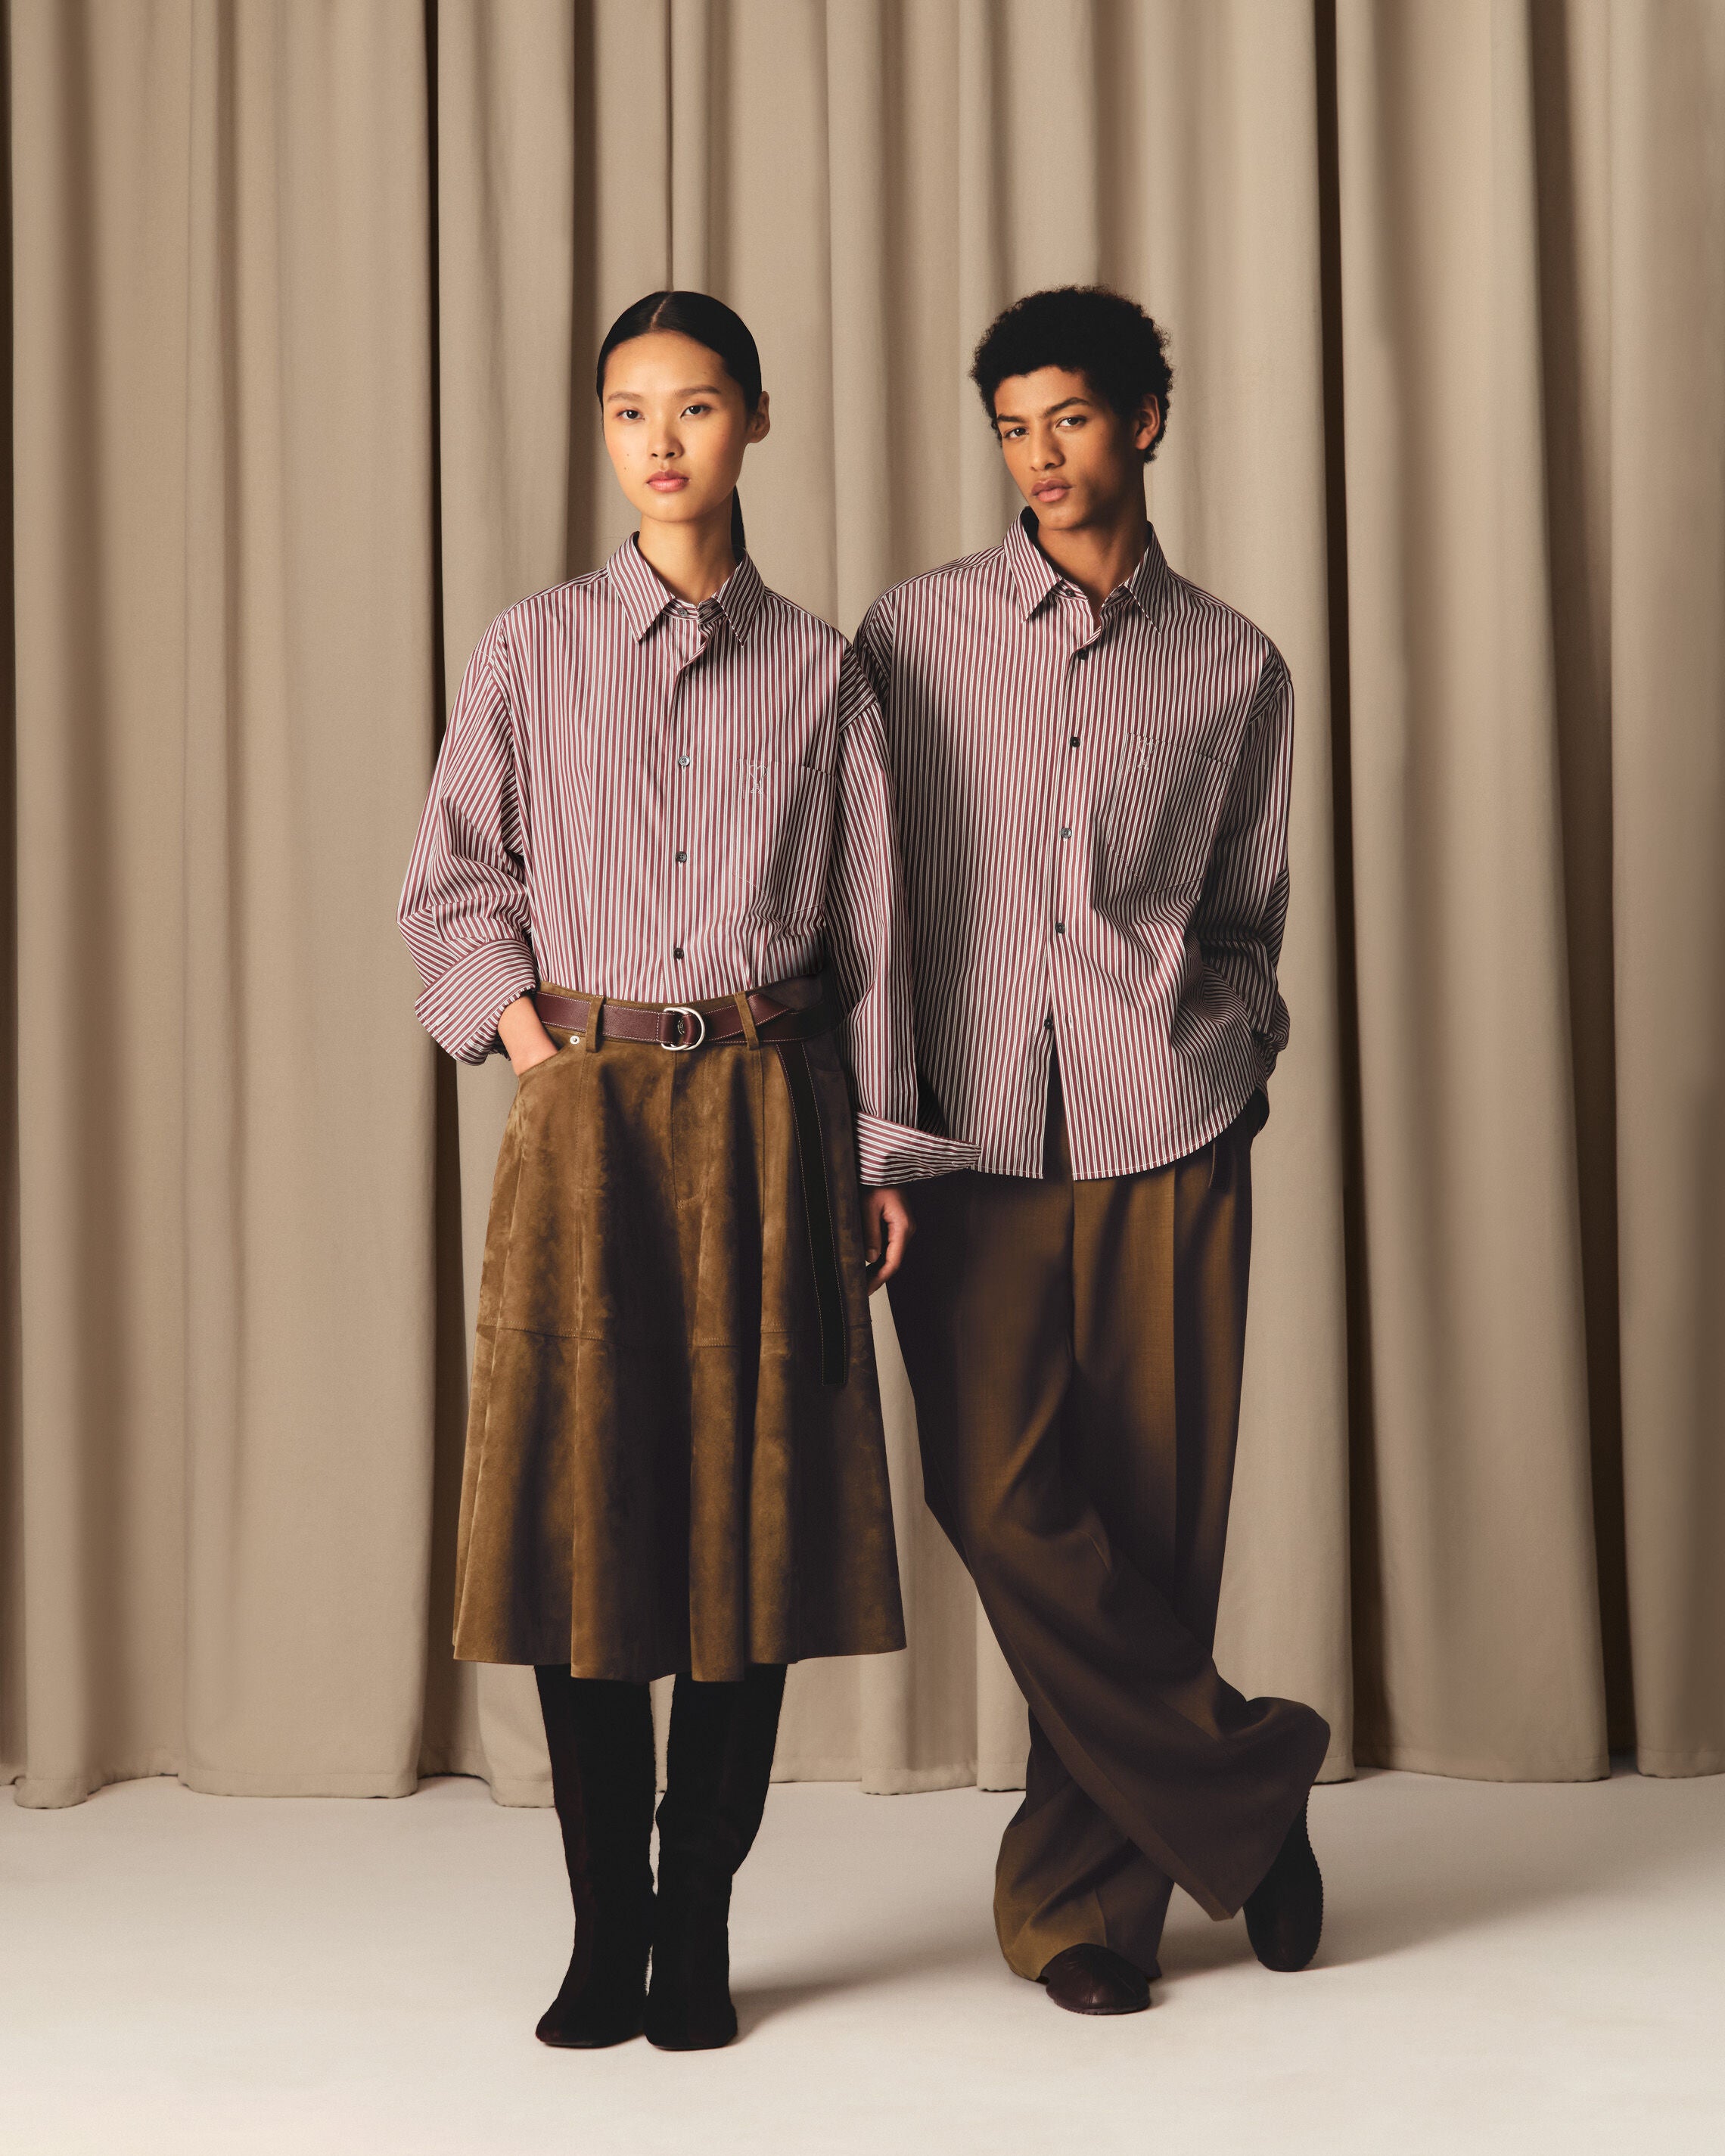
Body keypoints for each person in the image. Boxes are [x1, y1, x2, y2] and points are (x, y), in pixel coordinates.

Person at [400, 290, 971, 2053]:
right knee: (582, 1527)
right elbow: (451, 886)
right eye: (631, 409)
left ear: (757, 422)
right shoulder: (528, 650)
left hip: (773, 1117)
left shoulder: (826, 671)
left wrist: (876, 1154)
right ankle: (605, 1933)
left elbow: (880, 935)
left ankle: (700, 1925)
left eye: (699, 405)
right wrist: (537, 1055)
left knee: (755, 1526)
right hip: (583, 1117)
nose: (662, 440)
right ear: (603, 432)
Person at [857, 284, 1329, 2018]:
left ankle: (1086, 1916)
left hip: (1165, 1129)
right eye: (1012, 428)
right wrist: (872, 1126)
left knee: (1151, 1516)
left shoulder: (1235, 665)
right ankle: (1249, 1788)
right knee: (1002, 1502)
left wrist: (1228, 1053)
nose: (1039, 457)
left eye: (1067, 418)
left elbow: (1247, 919)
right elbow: (862, 899)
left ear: (1144, 420)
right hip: (965, 1135)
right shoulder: (910, 635)